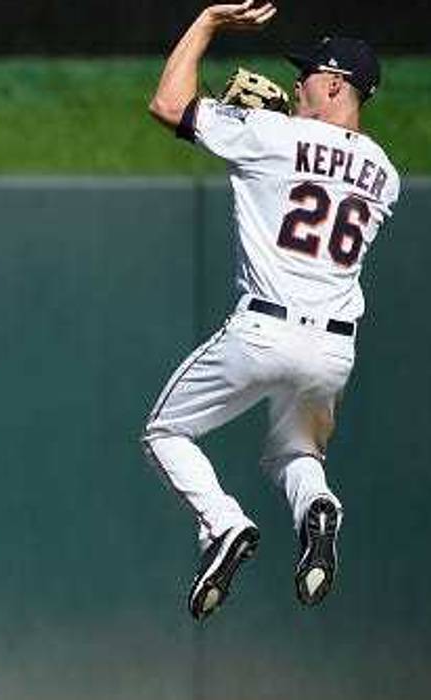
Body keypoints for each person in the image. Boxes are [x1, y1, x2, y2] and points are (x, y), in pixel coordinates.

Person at [142, 2, 400, 621]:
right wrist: (283, 126)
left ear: (335, 84)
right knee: (295, 454)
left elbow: (168, 104)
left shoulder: (271, 136)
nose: (296, 83)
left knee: (165, 432)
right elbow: (325, 162)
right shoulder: (385, 173)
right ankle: (318, 506)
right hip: (334, 352)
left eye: (309, 74)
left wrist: (206, 23)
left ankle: (225, 527)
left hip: (264, 329)